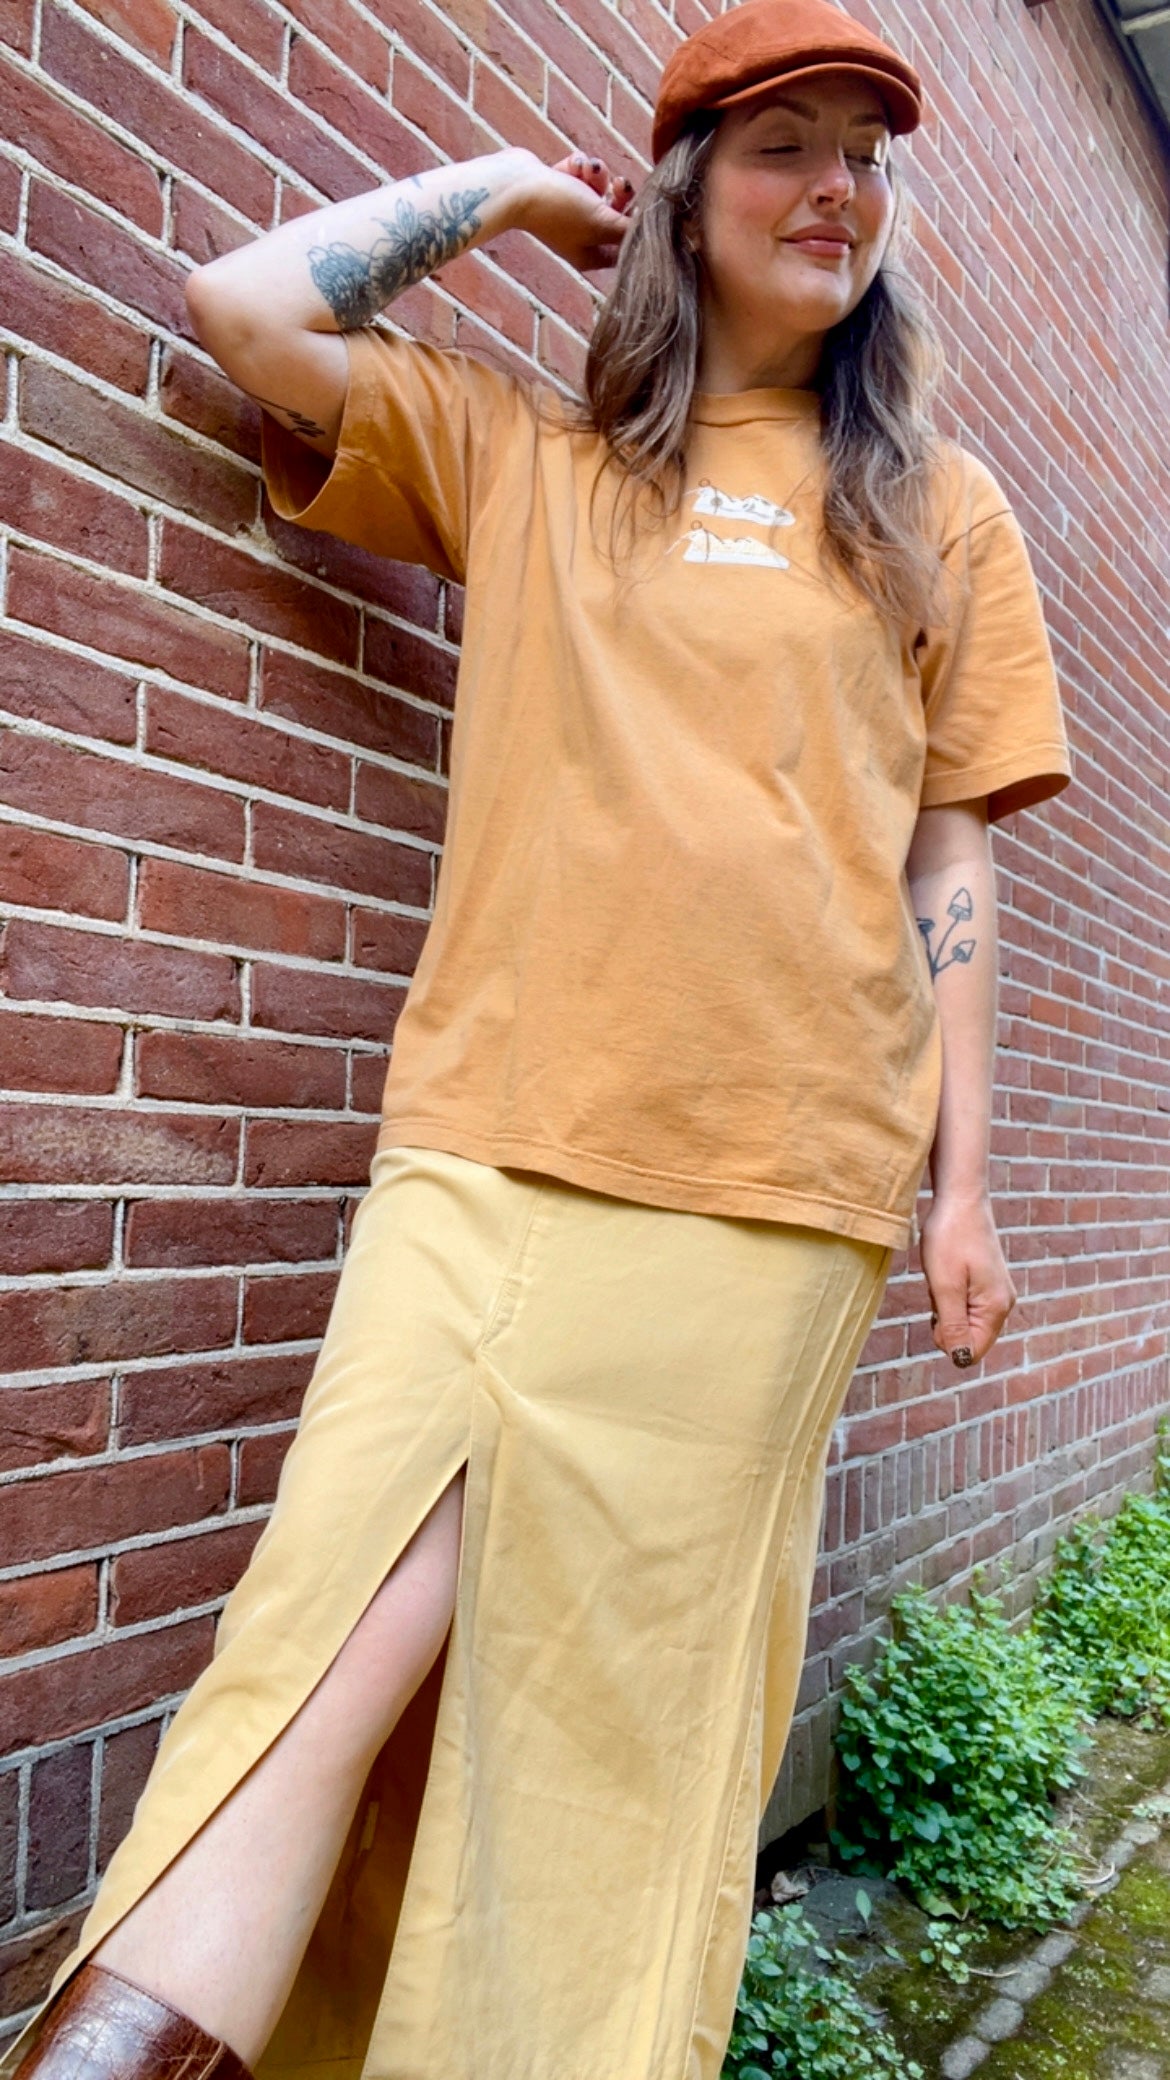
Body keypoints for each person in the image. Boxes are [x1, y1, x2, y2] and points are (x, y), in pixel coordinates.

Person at [3, 0, 1073, 2075]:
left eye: (864, 157)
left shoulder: (940, 513)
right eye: (781, 146)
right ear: (682, 192)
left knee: (606, 1743)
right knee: (331, 1646)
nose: (836, 189)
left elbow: (950, 854)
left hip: (768, 1195)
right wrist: (506, 195)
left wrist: (965, 1188)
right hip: (485, 1149)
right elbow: (245, 309)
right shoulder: (530, 458)